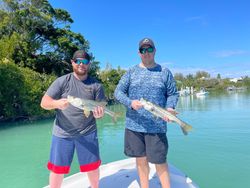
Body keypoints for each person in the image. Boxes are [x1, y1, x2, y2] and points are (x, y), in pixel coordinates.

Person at [114, 38, 179, 188]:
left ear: (154, 51)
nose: (146, 53)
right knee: (140, 160)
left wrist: (169, 107)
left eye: (149, 49)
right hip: (134, 126)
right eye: (143, 50)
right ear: (139, 53)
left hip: (157, 126)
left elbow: (173, 94)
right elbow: (118, 92)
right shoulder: (131, 71)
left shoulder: (165, 72)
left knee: (160, 161)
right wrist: (130, 103)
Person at [40, 50, 105, 188]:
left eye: (85, 62)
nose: (81, 64)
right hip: (62, 133)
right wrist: (56, 104)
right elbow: (44, 102)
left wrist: (99, 114)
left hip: (88, 132)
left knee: (92, 167)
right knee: (57, 169)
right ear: (72, 62)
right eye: (78, 61)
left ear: (89, 64)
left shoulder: (97, 86)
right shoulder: (62, 81)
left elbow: (100, 109)